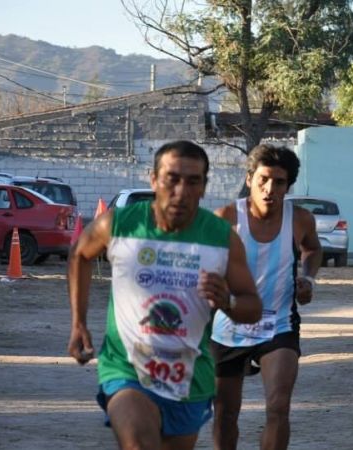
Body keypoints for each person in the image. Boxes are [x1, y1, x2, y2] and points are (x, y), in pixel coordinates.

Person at [67, 140, 262, 449]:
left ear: (204, 187)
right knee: (139, 444)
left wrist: (228, 301)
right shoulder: (119, 224)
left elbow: (252, 308)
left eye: (193, 181)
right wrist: (79, 323)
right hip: (126, 366)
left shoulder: (222, 238)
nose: (181, 191)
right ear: (154, 179)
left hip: (189, 377)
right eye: (172, 179)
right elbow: (80, 254)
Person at [210, 144, 322, 450]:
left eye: (279, 182)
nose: (270, 189)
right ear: (250, 179)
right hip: (228, 327)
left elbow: (313, 249)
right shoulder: (226, 218)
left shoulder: (300, 219)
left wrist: (308, 278)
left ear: (289, 186)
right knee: (225, 415)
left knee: (278, 408)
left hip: (278, 324)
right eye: (263, 179)